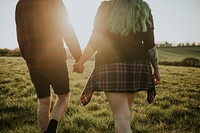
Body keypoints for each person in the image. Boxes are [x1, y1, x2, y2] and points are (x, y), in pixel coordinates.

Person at [73, 0, 160, 132]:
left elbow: (95, 40)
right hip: (137, 67)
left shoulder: (106, 8)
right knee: (125, 112)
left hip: (110, 66)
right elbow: (150, 45)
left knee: (121, 117)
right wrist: (156, 69)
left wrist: (80, 63)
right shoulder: (142, 8)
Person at [15, 0, 81, 132]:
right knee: (63, 97)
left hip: (34, 63)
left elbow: (20, 36)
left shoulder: (20, 4)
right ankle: (52, 127)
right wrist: (79, 58)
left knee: (44, 102)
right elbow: (67, 30)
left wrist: (28, 59)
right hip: (55, 59)